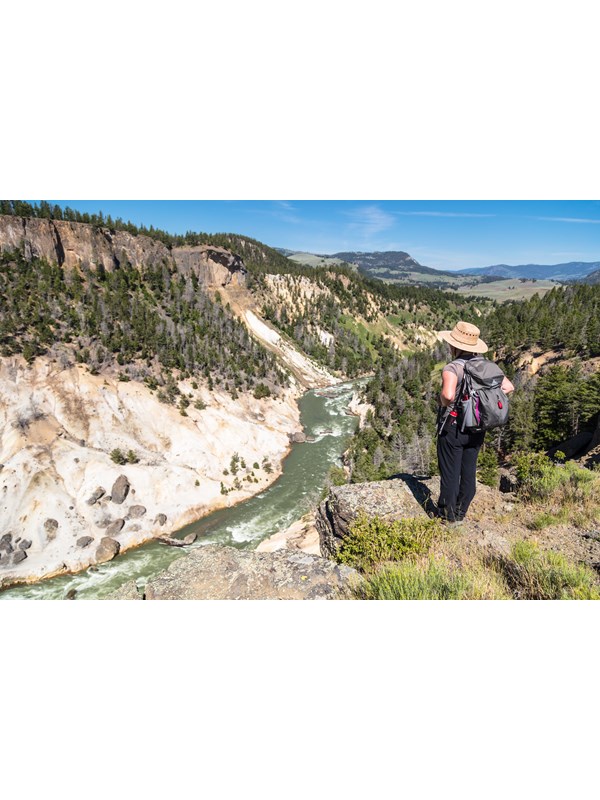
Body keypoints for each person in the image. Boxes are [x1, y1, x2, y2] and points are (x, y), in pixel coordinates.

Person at [435, 321, 514, 525]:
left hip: (454, 426)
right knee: (468, 470)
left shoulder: (453, 367)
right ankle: (461, 513)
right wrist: (481, 402)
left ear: (455, 346)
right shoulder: (487, 366)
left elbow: (448, 394)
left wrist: (442, 402)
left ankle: (447, 516)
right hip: (477, 426)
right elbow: (508, 387)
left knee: (450, 472)